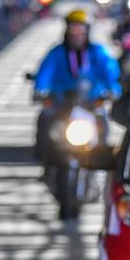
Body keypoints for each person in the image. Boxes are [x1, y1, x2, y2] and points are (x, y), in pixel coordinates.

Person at [32, 8, 121, 160]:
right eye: (73, 28)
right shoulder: (57, 53)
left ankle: (100, 155)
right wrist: (40, 90)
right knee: (45, 118)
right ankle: (44, 157)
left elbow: (110, 72)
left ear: (87, 31)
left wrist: (113, 89)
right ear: (67, 30)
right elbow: (45, 73)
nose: (77, 33)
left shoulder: (97, 52)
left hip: (90, 101)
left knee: (103, 120)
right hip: (62, 102)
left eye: (81, 29)